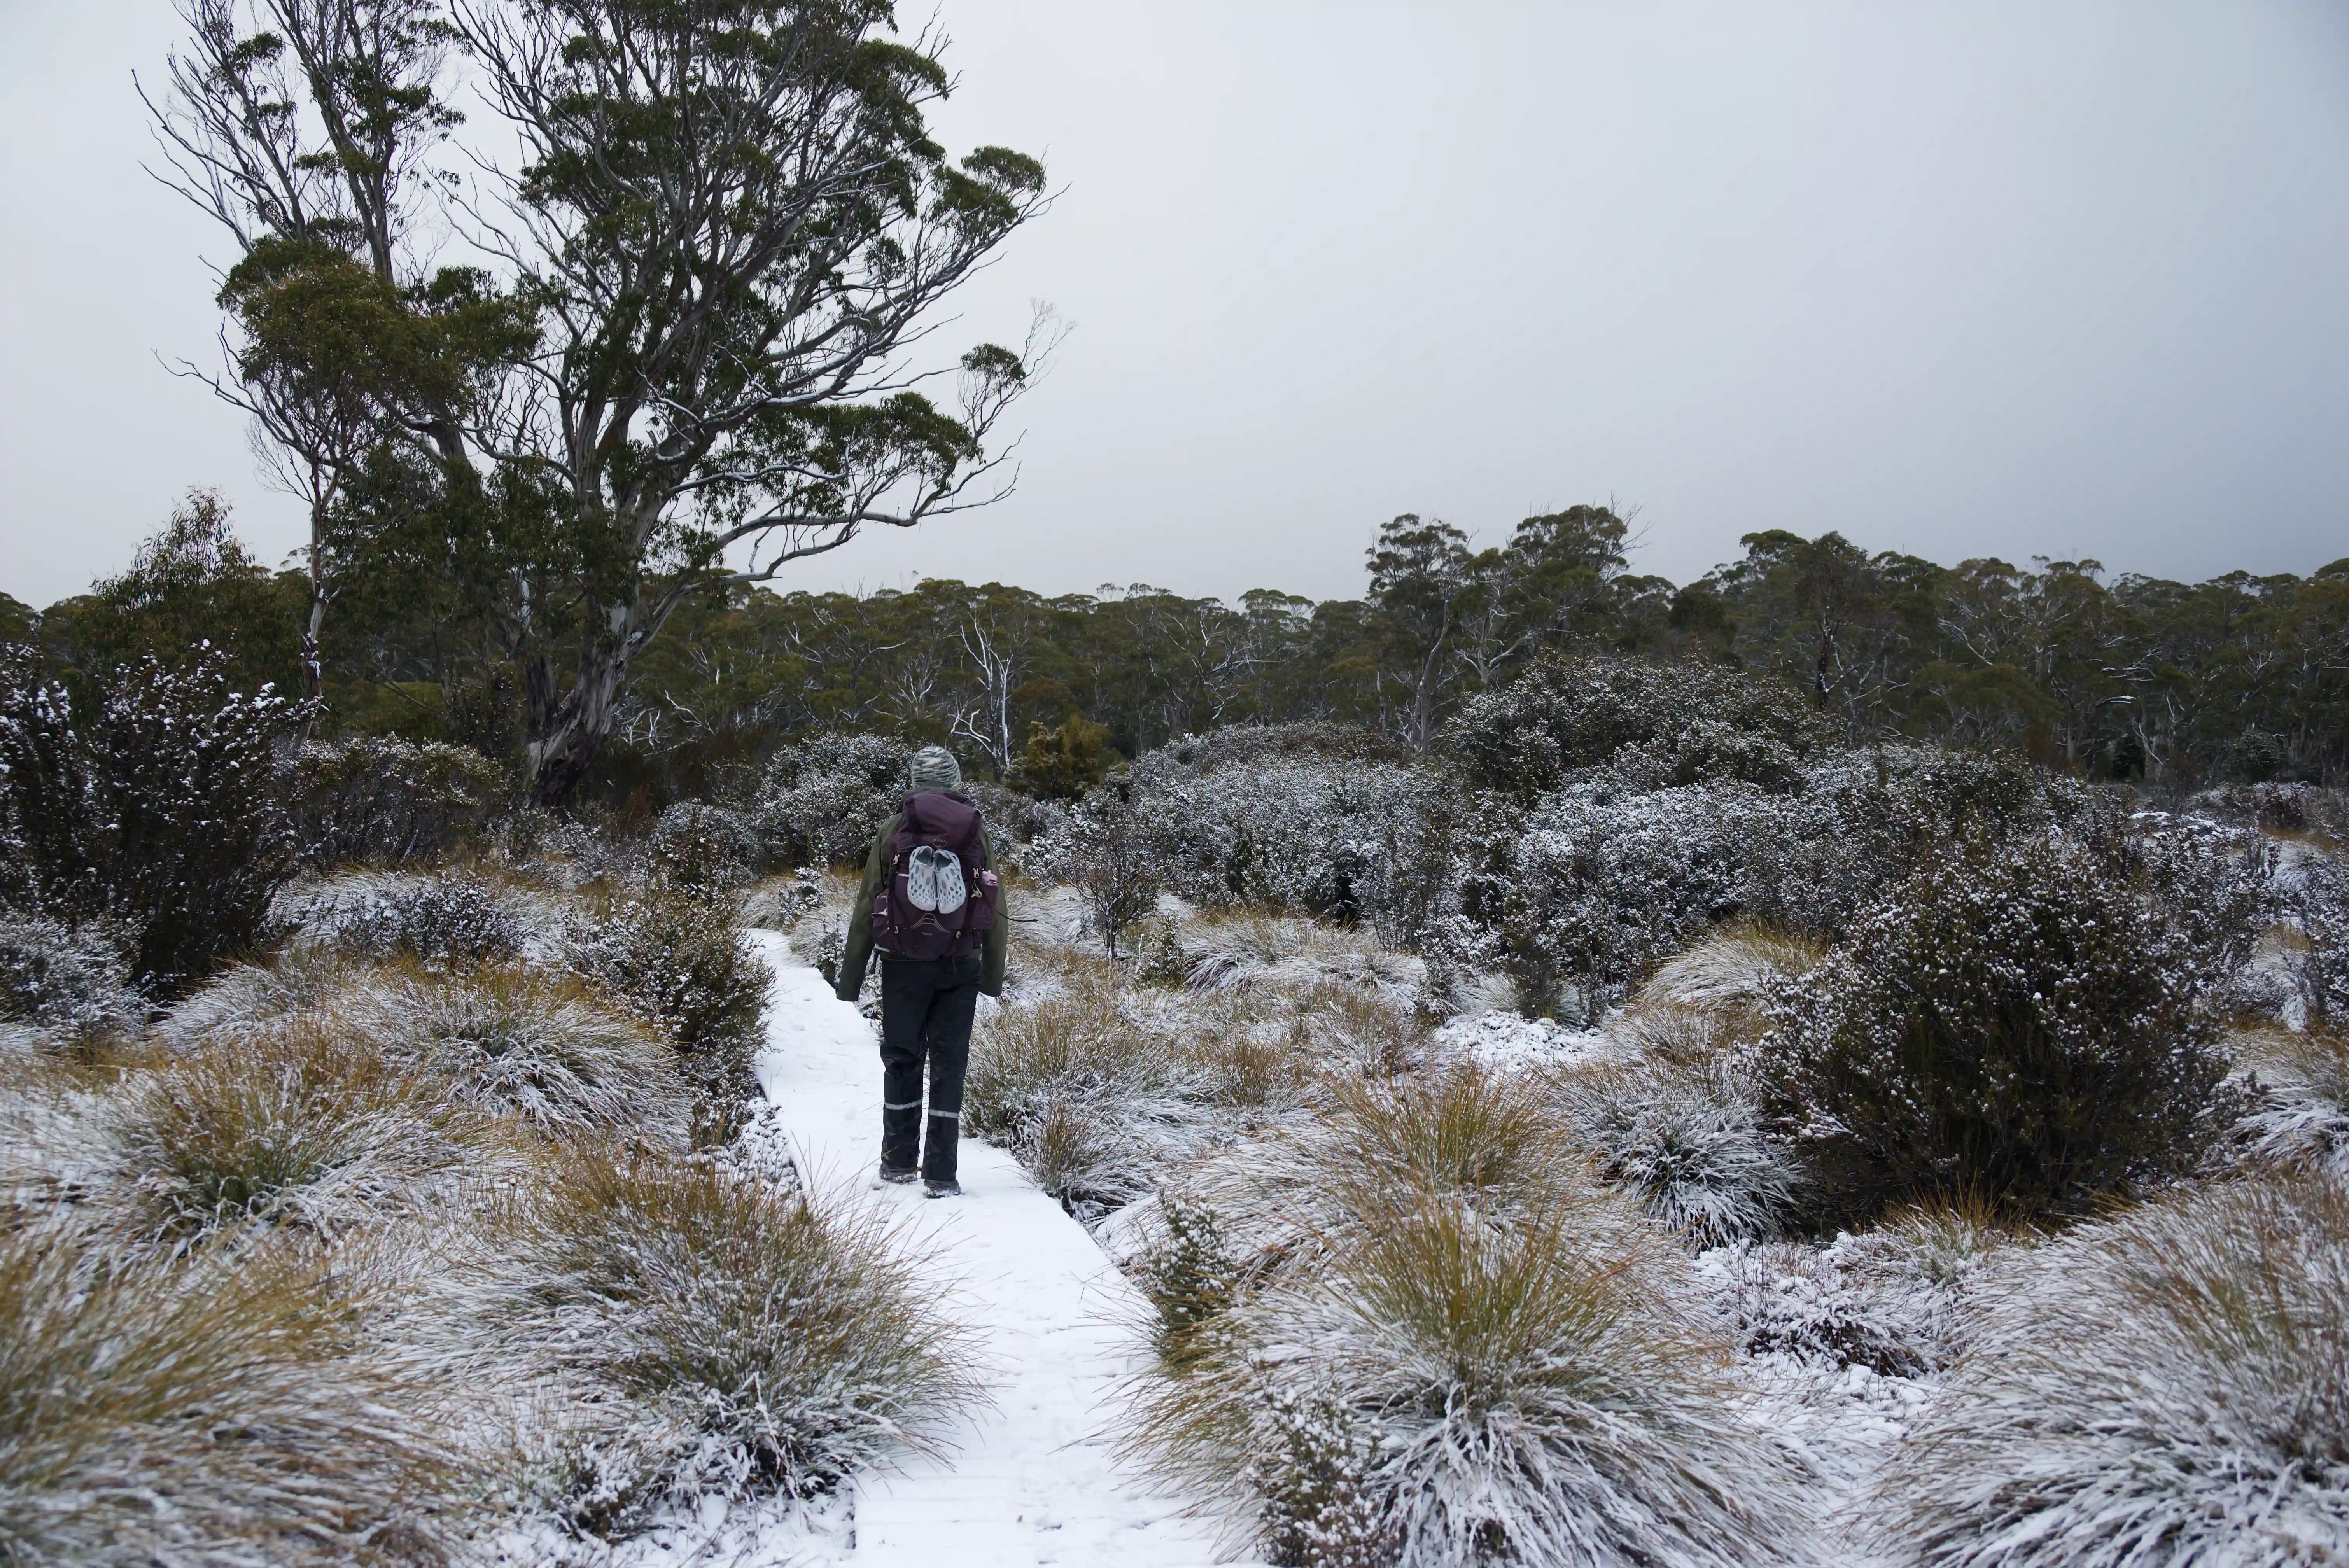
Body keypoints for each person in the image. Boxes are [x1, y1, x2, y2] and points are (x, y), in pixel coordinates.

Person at [834, 745, 1008, 1197]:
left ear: (913, 783)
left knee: (902, 1059)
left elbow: (867, 903)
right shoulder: (975, 831)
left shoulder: (893, 830)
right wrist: (991, 978)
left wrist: (849, 981)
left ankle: (896, 1165)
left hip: (902, 965)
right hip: (960, 965)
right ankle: (941, 1175)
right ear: (955, 782)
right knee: (950, 1065)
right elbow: (995, 906)